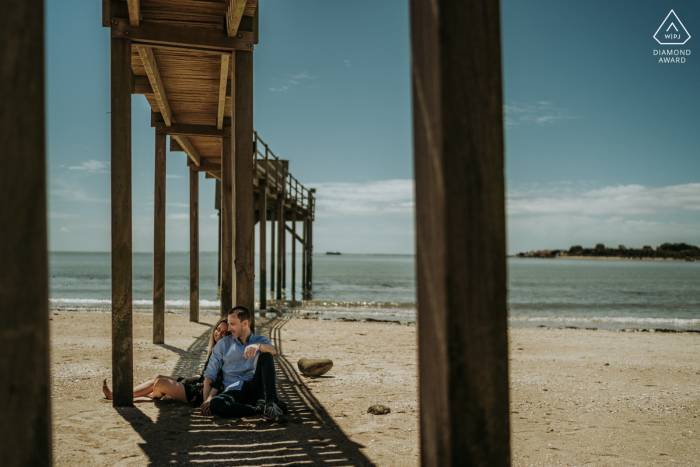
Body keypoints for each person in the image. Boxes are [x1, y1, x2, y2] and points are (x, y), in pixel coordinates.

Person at [102, 318, 228, 406]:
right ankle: (120, 394)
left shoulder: (224, 353)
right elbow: (205, 375)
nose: (219, 334)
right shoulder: (216, 349)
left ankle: (150, 395)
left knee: (160, 383)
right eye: (218, 329)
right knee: (158, 377)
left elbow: (218, 380)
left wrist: (208, 399)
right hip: (199, 383)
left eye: (224, 332)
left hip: (200, 393)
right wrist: (189, 379)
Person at [200, 306, 287, 423]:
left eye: (232, 324)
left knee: (266, 355)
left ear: (244, 323)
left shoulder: (260, 340)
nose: (229, 328)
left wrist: (258, 346)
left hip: (255, 387)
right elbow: (210, 373)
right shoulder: (223, 344)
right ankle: (261, 409)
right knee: (216, 403)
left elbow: (274, 351)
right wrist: (207, 401)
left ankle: (271, 404)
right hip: (233, 391)